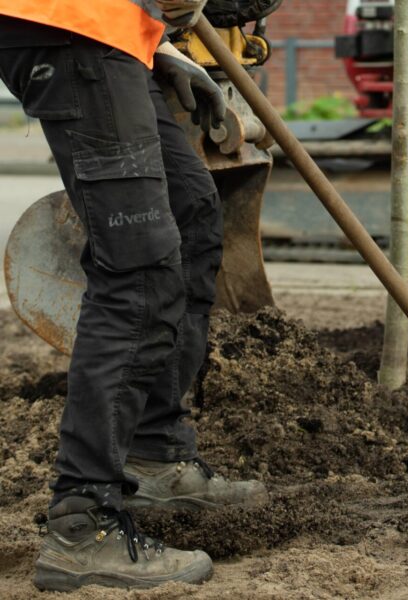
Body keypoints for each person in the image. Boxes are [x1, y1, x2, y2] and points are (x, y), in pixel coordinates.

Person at [0, 0, 266, 591]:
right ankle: (82, 522)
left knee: (192, 210)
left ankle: (154, 454)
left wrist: (161, 44)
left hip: (105, 30)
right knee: (138, 271)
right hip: (70, 26)